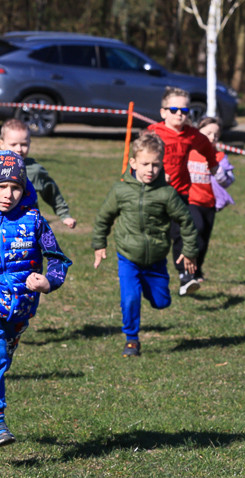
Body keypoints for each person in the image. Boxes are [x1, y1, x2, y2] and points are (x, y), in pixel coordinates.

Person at [0, 151, 72, 449]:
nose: (8, 194)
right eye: (1, 186)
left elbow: (58, 259)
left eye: (16, 187)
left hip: (20, 308)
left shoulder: (35, 221)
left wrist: (49, 282)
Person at [93, 133, 198, 357]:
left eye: (156, 165)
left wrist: (189, 250)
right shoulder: (120, 190)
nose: (150, 170)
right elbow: (103, 218)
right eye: (145, 164)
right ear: (133, 163)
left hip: (156, 260)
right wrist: (99, 244)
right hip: (128, 257)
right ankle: (131, 339)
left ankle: (149, 289)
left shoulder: (167, 194)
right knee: (130, 298)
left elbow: (186, 221)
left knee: (161, 302)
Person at [147, 87, 218, 296]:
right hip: (155, 194)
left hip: (180, 194)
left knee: (185, 233)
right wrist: (155, 174)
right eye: (174, 109)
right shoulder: (153, 133)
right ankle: (149, 274)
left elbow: (207, 147)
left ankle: (186, 277)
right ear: (163, 112)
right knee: (156, 236)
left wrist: (213, 165)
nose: (179, 114)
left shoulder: (192, 135)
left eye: (184, 111)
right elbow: (139, 158)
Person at [0, 118, 78, 229]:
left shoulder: (35, 170)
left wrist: (64, 215)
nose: (19, 149)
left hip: (26, 228)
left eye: (24, 144)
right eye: (13, 144)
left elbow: (51, 192)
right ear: (2, 144)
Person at [185, 116, 235, 285]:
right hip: (190, 201)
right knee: (197, 229)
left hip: (210, 203)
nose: (212, 138)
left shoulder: (219, 157)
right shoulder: (189, 152)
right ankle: (187, 271)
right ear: (197, 132)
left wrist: (221, 174)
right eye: (208, 133)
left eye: (216, 135)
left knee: (204, 240)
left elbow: (228, 180)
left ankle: (197, 269)